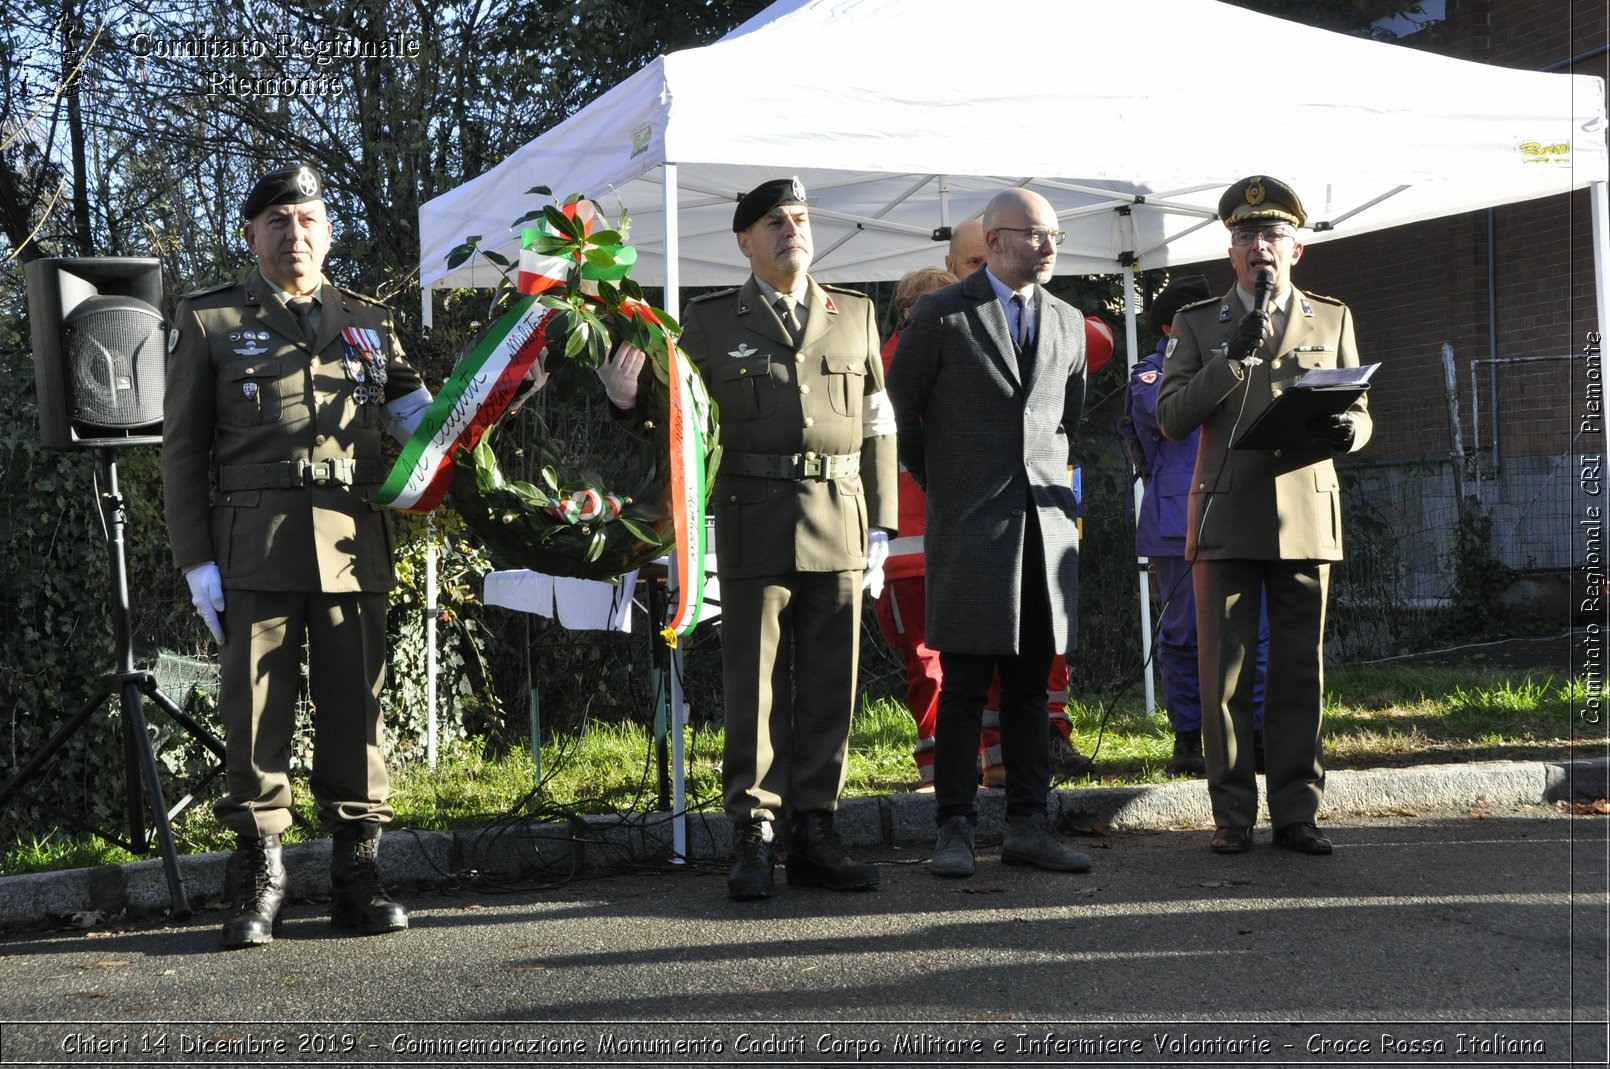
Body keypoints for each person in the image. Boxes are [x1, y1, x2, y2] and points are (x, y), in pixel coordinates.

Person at [603, 178, 898, 900]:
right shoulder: (705, 323)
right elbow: (675, 423)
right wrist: (623, 402)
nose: (792, 228)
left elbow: (878, 422)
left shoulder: (855, 313)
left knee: (832, 683)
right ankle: (754, 829)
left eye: (799, 218)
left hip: (840, 514)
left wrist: (884, 522)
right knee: (754, 686)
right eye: (775, 221)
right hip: (750, 514)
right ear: (744, 240)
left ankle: (817, 828)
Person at [163, 165, 433, 948]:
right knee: (254, 716)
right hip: (254, 545)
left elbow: (425, 422)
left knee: (357, 707)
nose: (296, 234)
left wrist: (498, 395)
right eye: (278, 220)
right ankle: (261, 876)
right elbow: (183, 451)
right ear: (250, 235)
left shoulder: (367, 322)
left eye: (309, 219)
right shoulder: (211, 320)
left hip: (352, 542)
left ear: (329, 230)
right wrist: (196, 560)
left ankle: (357, 872)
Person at [1156, 175, 1372, 856]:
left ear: (1297, 247)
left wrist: (1349, 433)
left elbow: (1360, 413)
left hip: (1306, 511)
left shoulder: (1331, 318)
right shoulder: (1199, 325)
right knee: (1225, 676)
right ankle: (1231, 813)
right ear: (1232, 253)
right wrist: (1230, 358)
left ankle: (1297, 810)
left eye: (1273, 234)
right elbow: (1169, 416)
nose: (1260, 246)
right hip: (1226, 515)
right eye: (1247, 236)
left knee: (1298, 673)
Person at [887, 187, 1092, 879]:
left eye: (1055, 234)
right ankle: (955, 828)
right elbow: (903, 413)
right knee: (966, 686)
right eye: (1036, 233)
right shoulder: (944, 314)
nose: (1049, 245)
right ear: (997, 241)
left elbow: (1070, 421)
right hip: (971, 529)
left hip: (1045, 530)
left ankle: (1030, 825)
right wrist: (949, 485)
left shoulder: (1065, 320)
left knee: (1030, 686)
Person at [875, 265, 1103, 789]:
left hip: (977, 536)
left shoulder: (1043, 323)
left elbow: (1073, 397)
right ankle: (948, 773)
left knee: (997, 671)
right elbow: (901, 432)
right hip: (919, 544)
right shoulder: (900, 355)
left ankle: (997, 766)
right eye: (926, 306)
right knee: (943, 670)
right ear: (910, 313)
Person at [1122, 274, 1268, 776]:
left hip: (1241, 509)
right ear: (1171, 327)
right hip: (1176, 520)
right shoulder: (1151, 373)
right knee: (1185, 635)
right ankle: (1189, 737)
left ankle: (1256, 733)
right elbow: (1171, 415)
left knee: (1257, 631)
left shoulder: (1243, 359)